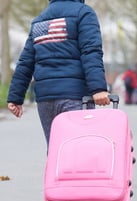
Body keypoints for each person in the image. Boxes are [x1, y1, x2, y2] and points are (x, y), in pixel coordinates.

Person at [7, 0, 110, 147]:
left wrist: (15, 97)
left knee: (56, 151)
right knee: (79, 150)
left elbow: (26, 61)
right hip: (74, 96)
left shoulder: (40, 20)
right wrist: (98, 88)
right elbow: (90, 51)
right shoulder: (83, 13)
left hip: (45, 99)